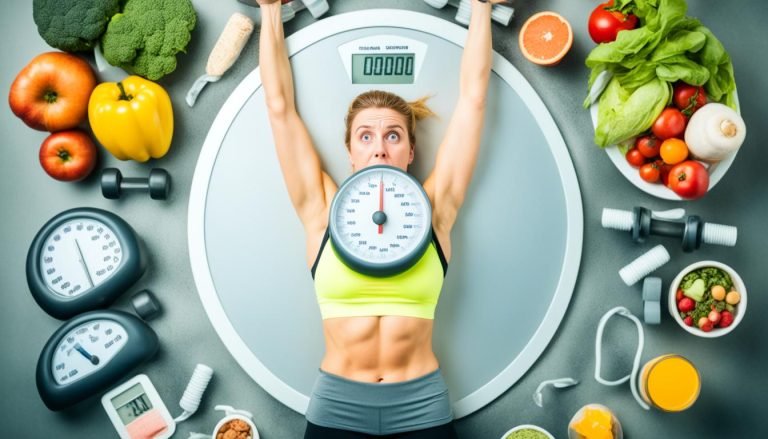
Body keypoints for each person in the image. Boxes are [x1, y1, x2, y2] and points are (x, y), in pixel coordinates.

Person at [257, 0, 506, 437]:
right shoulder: (319, 210)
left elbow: (474, 100)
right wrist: (271, 8)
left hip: (421, 404)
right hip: (337, 404)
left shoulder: (437, 209)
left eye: (393, 136)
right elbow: (279, 107)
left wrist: (482, 7)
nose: (379, 148)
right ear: (350, 154)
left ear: (410, 152)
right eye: (365, 136)